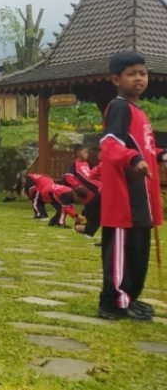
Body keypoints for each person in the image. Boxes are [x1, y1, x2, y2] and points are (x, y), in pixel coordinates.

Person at [96, 51, 164, 321]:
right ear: (116, 79)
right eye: (131, 74)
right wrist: (133, 159)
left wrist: (160, 156)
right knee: (122, 251)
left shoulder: (139, 112)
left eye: (143, 73)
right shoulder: (119, 107)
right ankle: (112, 301)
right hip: (125, 194)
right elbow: (110, 144)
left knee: (137, 250)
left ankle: (130, 298)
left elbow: (145, 147)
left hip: (142, 195)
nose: (139, 78)